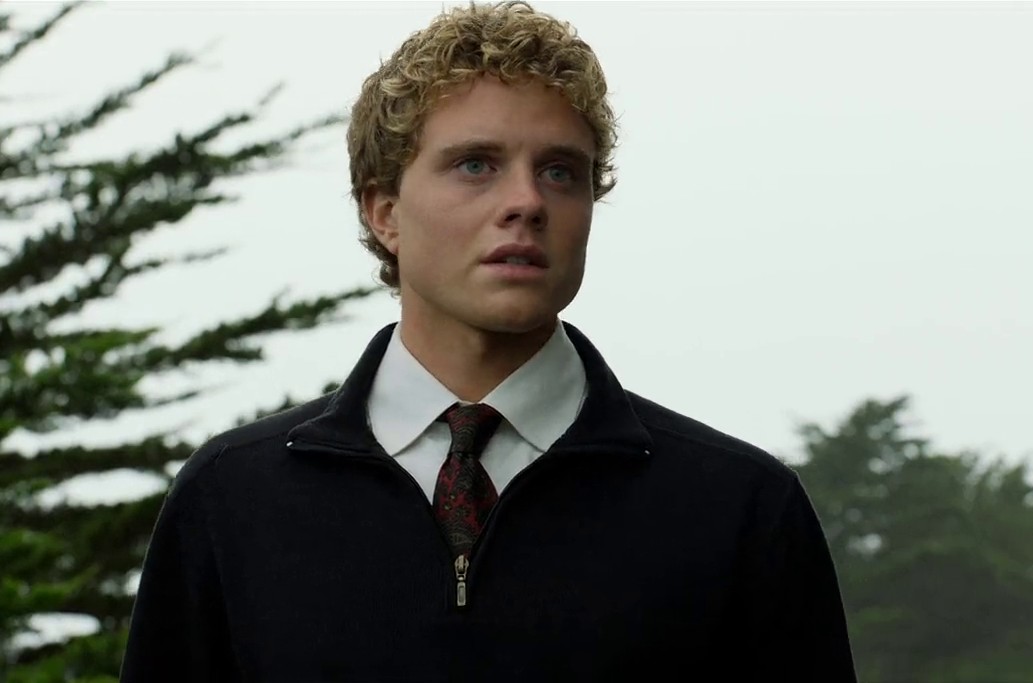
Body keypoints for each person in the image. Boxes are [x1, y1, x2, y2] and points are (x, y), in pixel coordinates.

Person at [119, 2, 856, 681]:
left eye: (560, 171)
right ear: (384, 212)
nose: (527, 202)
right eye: (476, 164)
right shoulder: (233, 498)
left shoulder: (739, 508)